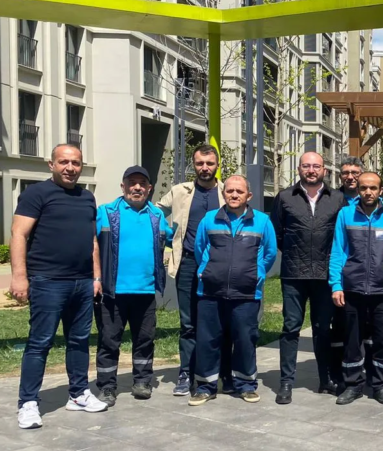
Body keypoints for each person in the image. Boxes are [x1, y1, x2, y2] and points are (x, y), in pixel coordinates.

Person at [12, 144, 106, 429]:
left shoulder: (87, 197)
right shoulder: (36, 194)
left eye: (76, 163)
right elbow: (19, 234)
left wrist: (96, 277)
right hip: (47, 281)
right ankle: (28, 402)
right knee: (40, 342)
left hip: (82, 282)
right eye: (64, 162)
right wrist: (19, 277)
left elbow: (92, 241)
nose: (70, 168)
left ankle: (78, 394)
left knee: (79, 340)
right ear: (51, 165)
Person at [189, 175, 277, 406]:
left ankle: (246, 385)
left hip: (247, 293)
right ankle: (206, 387)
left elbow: (270, 252)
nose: (234, 195)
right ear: (223, 193)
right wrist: (207, 271)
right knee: (207, 340)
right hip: (210, 291)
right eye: (230, 191)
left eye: (239, 191)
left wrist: (257, 273)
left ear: (249, 195)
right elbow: (200, 249)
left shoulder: (262, 221)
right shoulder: (209, 219)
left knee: (245, 340)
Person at [94, 166, 174, 406]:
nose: (137, 187)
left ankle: (142, 381)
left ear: (149, 188)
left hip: (145, 291)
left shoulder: (157, 216)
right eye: (132, 183)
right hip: (112, 292)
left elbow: (175, 239)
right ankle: (107, 386)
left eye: (142, 183)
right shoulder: (105, 212)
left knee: (145, 339)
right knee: (109, 341)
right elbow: (90, 246)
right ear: (123, 186)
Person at [271, 151, 346, 405]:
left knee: (323, 329)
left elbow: (343, 235)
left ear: (324, 170)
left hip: (325, 275)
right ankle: (286, 383)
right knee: (291, 327)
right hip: (294, 275)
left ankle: (326, 379)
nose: (311, 170)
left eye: (316, 166)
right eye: (306, 166)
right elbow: (276, 233)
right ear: (299, 169)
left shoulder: (337, 199)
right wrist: (294, 253)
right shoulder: (284, 197)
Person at [329, 172, 383, 406]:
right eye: (364, 188)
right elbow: (337, 251)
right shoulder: (345, 214)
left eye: (373, 188)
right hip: (352, 288)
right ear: (358, 190)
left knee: (382, 340)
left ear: (381, 190)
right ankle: (353, 385)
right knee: (352, 340)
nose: (368, 192)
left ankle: (381, 385)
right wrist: (336, 285)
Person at [157, 144, 229, 397]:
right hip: (188, 263)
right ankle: (186, 373)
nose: (205, 168)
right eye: (200, 163)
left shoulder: (226, 191)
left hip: (220, 265)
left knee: (220, 320)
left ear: (217, 165)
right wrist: (167, 233)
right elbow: (156, 211)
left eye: (209, 163)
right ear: (193, 165)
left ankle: (220, 373)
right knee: (188, 323)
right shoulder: (180, 191)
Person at [329, 155, 367, 389]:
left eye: (355, 172)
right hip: (339, 273)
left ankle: (367, 372)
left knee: (367, 327)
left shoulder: (373, 200)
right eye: (346, 173)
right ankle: (338, 374)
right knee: (339, 326)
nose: (350, 177)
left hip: (367, 275)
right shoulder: (332, 200)